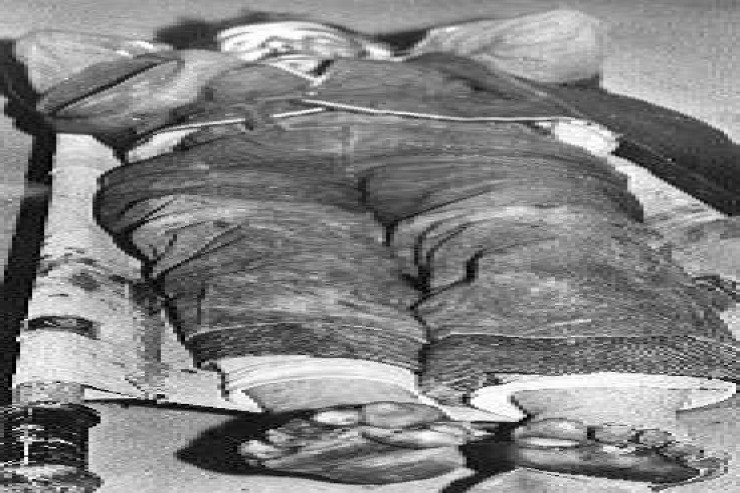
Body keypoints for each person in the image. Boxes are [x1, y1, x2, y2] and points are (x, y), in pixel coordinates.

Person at [13, 8, 738, 491]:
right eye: (255, 43)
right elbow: (49, 57)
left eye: (307, 35)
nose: (280, 44)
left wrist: (428, 57)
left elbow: (564, 31)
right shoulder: (188, 83)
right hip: (240, 154)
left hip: (462, 144)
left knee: (534, 222)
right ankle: (356, 415)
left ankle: (596, 416)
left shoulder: (443, 70)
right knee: (259, 246)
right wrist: (187, 65)